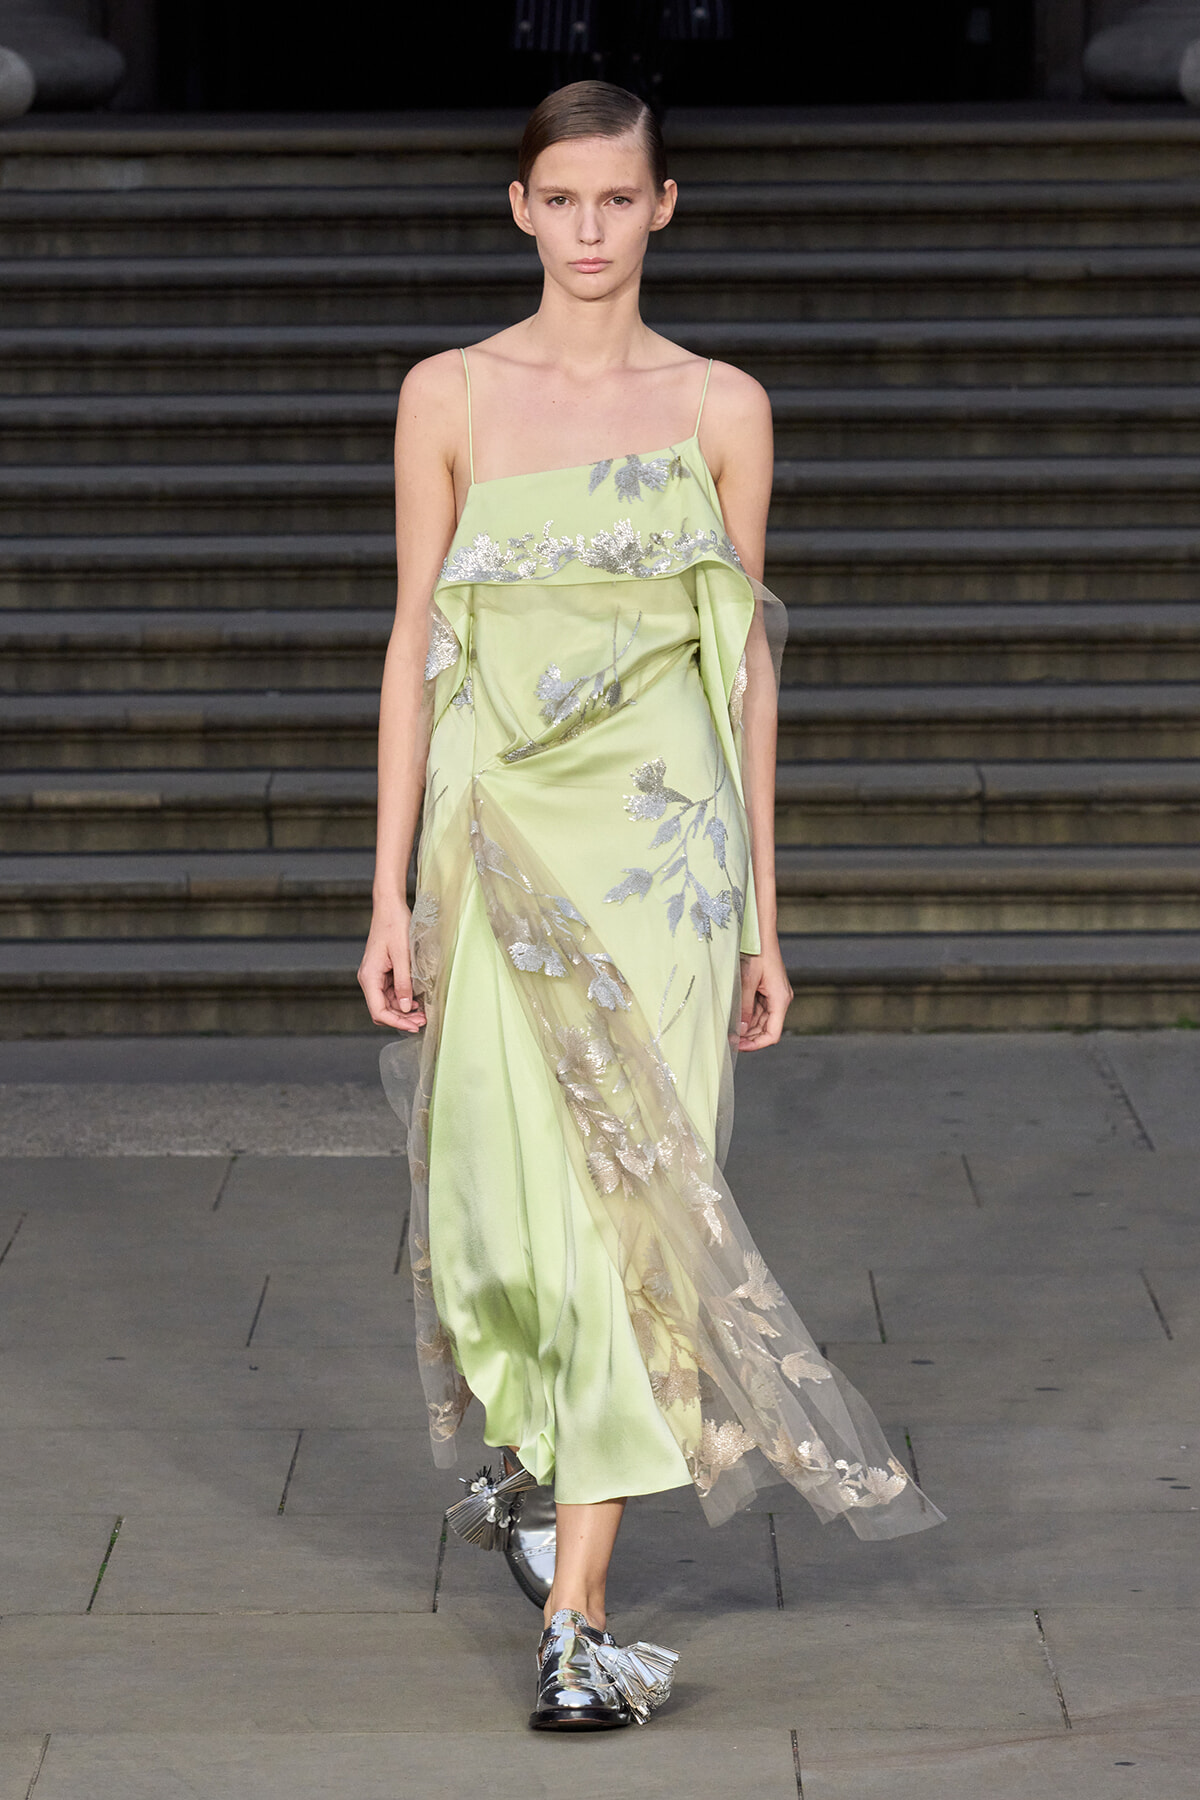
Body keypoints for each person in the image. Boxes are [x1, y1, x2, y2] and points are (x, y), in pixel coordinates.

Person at [359, 79, 944, 1733]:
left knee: (639, 1214)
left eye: (624, 198)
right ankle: (546, 1472)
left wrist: (764, 910)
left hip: (663, 860)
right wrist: (387, 889)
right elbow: (414, 642)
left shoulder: (723, 409)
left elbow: (745, 664)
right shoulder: (451, 395)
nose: (595, 228)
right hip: (491, 841)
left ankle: (577, 1615)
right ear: (524, 209)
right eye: (567, 198)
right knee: (495, 1216)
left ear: (665, 205)